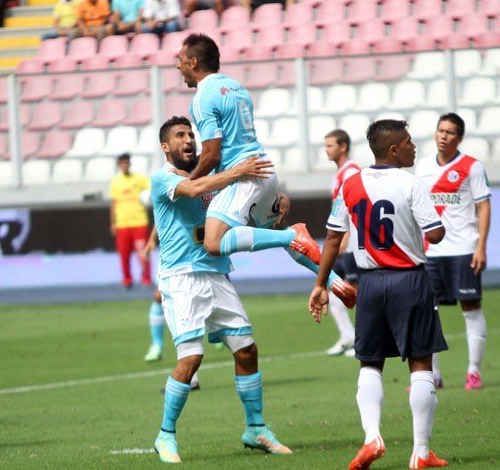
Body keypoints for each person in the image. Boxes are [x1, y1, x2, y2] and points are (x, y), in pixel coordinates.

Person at [175, 33, 357, 309]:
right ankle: (333, 281)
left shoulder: (202, 97)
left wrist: (190, 181)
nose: (178, 67)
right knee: (277, 235)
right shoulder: (236, 88)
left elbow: (212, 155)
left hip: (245, 176)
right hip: (264, 170)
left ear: (193, 61)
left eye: (180, 60)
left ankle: (291, 235)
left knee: (213, 242)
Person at [309, 120, 449, 470]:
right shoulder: (410, 183)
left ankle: (372, 437)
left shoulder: (351, 185)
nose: (413, 147)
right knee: (421, 363)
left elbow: (330, 238)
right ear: (392, 150)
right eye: (407, 142)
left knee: (370, 363)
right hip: (409, 281)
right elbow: (436, 235)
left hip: (369, 284)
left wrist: (320, 284)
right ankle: (420, 452)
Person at [150, 115, 291, 463]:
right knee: (192, 358)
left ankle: (255, 428)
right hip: (182, 278)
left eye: (191, 134)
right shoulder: (163, 179)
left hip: (216, 274)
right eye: (180, 135)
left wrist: (276, 206)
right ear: (165, 147)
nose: (188, 140)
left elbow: (244, 214)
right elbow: (195, 190)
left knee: (246, 349)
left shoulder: (215, 182)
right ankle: (165, 435)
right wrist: (239, 172)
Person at [415, 112, 491, 391]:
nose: (443, 136)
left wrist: (481, 246)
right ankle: (433, 374)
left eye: (449, 132)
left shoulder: (472, 167)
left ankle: (473, 371)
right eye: (440, 131)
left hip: (464, 248)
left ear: (459, 138)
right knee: (428, 311)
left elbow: (483, 207)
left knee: (470, 308)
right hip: (430, 252)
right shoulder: (422, 167)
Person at [141, 228, 200, 390]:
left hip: (192, 254)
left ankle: (190, 377)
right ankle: (158, 346)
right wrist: (152, 238)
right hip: (174, 253)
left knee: (187, 311)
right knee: (166, 301)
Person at [324, 129, 360, 357]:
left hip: (352, 242)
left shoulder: (352, 172)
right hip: (342, 242)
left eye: (330, 145)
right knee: (332, 288)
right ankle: (348, 336)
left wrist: (346, 237)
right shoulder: (340, 173)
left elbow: (355, 207)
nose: (326, 150)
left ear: (343, 146)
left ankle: (363, 339)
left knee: (356, 293)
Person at [109, 153, 152, 288]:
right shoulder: (116, 181)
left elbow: (152, 189)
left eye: (126, 163)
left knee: (142, 252)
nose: (125, 165)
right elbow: (114, 203)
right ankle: (127, 279)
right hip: (122, 224)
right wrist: (112, 223)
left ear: (129, 164)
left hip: (139, 222)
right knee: (124, 254)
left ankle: (146, 277)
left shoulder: (139, 179)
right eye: (122, 163)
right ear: (119, 165)